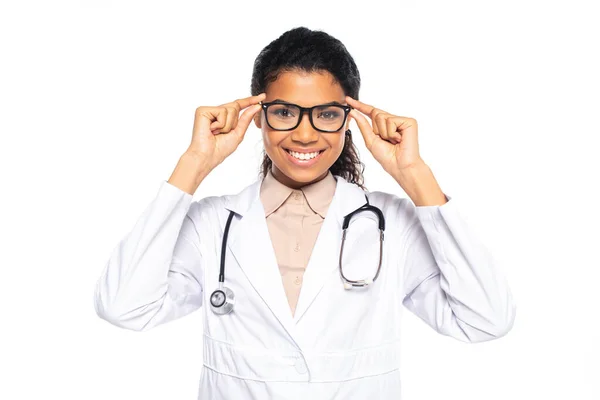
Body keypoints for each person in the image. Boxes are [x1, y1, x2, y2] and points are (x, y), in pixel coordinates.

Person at [94, 26, 516, 399]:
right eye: (284, 112)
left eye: (327, 115)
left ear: (349, 119)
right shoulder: (212, 225)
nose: (305, 132)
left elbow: (486, 318)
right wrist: (194, 164)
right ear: (258, 117)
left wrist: (414, 174)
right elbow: (123, 306)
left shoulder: (392, 225)